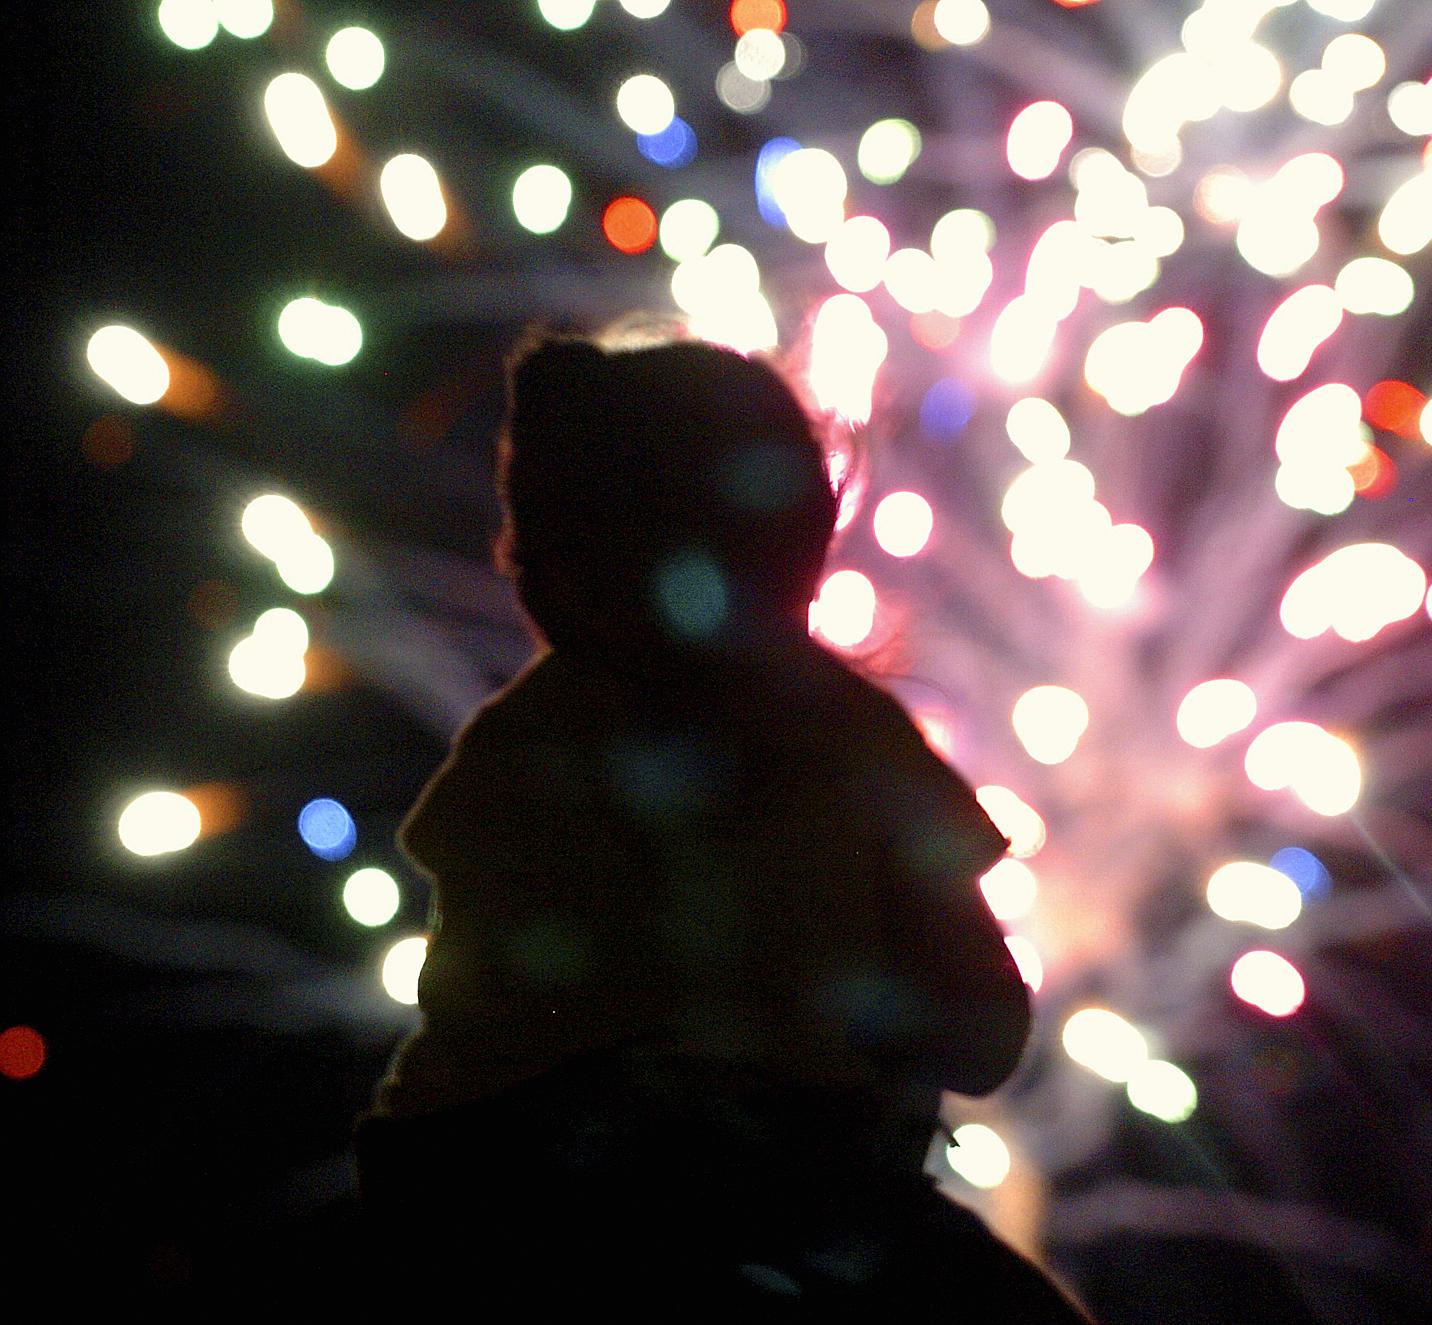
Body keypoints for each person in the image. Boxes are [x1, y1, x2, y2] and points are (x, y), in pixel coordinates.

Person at [352, 328, 1093, 1320]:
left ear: (550, 564)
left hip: (501, 1221)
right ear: (799, 533)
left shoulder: (521, 753)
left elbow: (484, 1030)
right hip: (789, 1217)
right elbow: (981, 1027)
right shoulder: (851, 744)